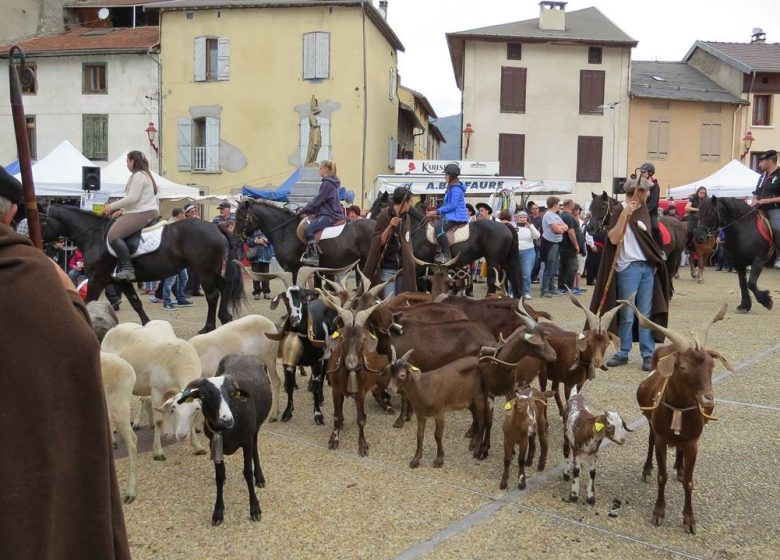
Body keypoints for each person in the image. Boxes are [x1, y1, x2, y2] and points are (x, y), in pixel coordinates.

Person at [0, 165, 131, 559]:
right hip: (121, 212)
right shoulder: (29, 273)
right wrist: (108, 212)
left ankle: (124, 264)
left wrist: (118, 212)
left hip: (139, 212)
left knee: (119, 238)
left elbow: (140, 204)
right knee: (110, 233)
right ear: (10, 215)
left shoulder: (142, 181)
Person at [591, 175, 669, 372]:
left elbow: (647, 239)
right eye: (647, 190)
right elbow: (614, 239)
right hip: (628, 269)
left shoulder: (643, 210)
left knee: (646, 314)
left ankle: (648, 354)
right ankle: (623, 352)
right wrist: (625, 214)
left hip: (646, 267)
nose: (649, 194)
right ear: (638, 191)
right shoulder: (618, 210)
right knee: (626, 314)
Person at [101, 150, 159, 281]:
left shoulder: (138, 175)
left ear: (133, 161)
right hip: (143, 210)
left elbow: (132, 198)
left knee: (113, 235)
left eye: (127, 161)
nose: (126, 164)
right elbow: (138, 200)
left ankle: (128, 269)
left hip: (143, 212)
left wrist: (111, 206)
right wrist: (123, 210)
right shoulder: (144, 174)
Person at [364, 186, 417, 297]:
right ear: (404, 202)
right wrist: (390, 227)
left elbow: (407, 243)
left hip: (403, 269)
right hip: (388, 269)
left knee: (400, 304)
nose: (411, 204)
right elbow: (378, 242)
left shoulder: (407, 218)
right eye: (410, 201)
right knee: (389, 304)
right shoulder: (384, 215)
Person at [299, 160, 344, 266]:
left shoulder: (327, 184)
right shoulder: (330, 183)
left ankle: (314, 256)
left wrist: (304, 210)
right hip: (329, 213)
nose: (319, 170)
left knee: (309, 229)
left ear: (326, 170)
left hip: (329, 215)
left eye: (320, 168)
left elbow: (318, 200)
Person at [426, 163, 468, 264]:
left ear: (451, 175)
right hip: (450, 214)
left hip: (455, 216)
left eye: (446, 174)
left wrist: (437, 211)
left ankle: (446, 254)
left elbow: (453, 205)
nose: (444, 176)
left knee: (438, 228)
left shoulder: (456, 189)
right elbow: (447, 205)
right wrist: (438, 212)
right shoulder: (451, 188)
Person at [159, 207, 193, 310]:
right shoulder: (171, 225)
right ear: (179, 214)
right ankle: (167, 302)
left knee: (184, 278)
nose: (185, 216)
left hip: (180, 257)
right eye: (184, 214)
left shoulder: (179, 225)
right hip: (172, 257)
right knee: (170, 280)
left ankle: (180, 298)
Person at [752, 149, 780, 268]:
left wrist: (768, 200)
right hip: (759, 208)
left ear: (769, 161)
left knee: (777, 228)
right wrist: (754, 200)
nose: (759, 165)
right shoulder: (762, 177)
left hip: (774, 209)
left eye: (761, 162)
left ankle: (779, 256)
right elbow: (756, 192)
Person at [540, 196, 568, 297]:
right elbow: (557, 230)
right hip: (550, 243)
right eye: (558, 204)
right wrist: (561, 228)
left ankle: (552, 287)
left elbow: (565, 226)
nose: (559, 206)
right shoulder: (549, 215)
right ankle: (545, 290)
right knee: (548, 267)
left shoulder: (556, 215)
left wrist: (561, 228)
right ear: (554, 204)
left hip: (556, 243)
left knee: (554, 267)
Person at [639, 162, 664, 259]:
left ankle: (661, 250)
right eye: (641, 171)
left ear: (650, 173)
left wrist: (644, 210)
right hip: (639, 210)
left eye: (644, 172)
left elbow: (653, 202)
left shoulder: (654, 185)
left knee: (655, 228)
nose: (641, 173)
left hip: (651, 212)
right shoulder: (639, 184)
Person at [557, 199, 582, 295]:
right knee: (572, 266)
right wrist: (576, 245)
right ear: (570, 205)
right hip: (569, 246)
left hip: (565, 246)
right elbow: (571, 232)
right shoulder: (567, 216)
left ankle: (562, 287)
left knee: (564, 266)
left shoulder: (562, 216)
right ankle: (569, 287)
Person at [515, 210, 540, 300]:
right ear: (517, 218)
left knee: (526, 274)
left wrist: (530, 227)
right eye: (520, 217)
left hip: (528, 252)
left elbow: (537, 236)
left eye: (524, 217)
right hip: (515, 252)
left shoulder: (531, 226)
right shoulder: (514, 227)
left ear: (527, 218)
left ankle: (526, 292)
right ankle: (512, 291)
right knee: (514, 273)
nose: (522, 219)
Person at [246, 228, 275, 300]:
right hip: (255, 256)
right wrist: (256, 241)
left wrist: (264, 240)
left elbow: (272, 239)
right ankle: (257, 292)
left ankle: (266, 292)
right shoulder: (251, 231)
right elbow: (248, 241)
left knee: (266, 276)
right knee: (256, 276)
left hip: (266, 256)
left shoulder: (266, 229)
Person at [684, 186, 708, 250]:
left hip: (703, 218)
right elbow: (686, 208)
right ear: (698, 192)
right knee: (689, 231)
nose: (702, 194)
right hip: (693, 216)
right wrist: (697, 209)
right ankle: (688, 245)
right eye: (701, 192)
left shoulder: (707, 199)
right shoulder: (692, 198)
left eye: (704, 193)